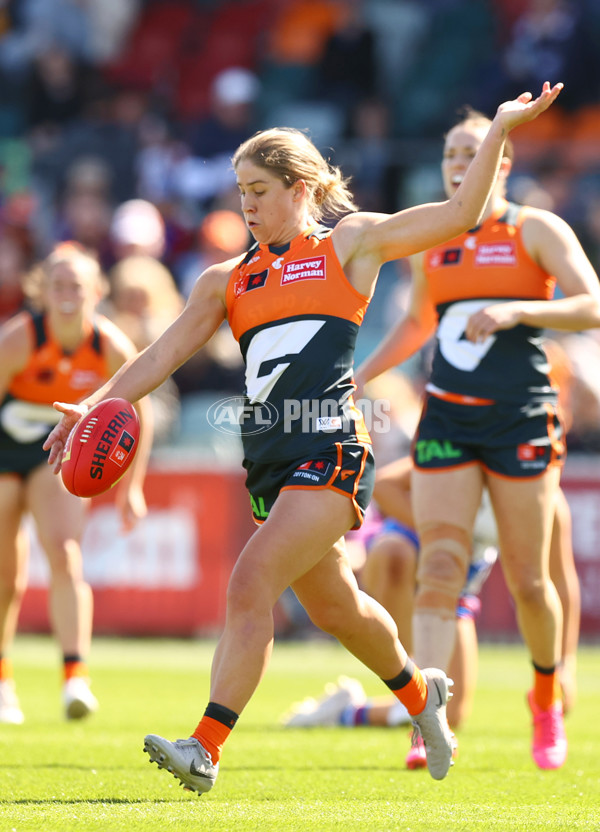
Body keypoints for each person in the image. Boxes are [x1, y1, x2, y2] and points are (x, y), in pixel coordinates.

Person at [44, 83, 563, 791]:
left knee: (250, 582)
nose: (246, 205)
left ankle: (204, 747)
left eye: (259, 191)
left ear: (302, 189)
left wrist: (500, 126)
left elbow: (459, 214)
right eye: (240, 192)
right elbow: (161, 355)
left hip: (331, 452)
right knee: (338, 610)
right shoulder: (226, 280)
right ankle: (423, 697)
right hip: (269, 462)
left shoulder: (351, 244)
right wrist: (93, 403)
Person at [354, 100, 600, 771]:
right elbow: (418, 323)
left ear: (502, 162)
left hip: (520, 418)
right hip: (448, 418)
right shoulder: (433, 243)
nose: (460, 164)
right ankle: (427, 722)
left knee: (529, 581)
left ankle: (545, 700)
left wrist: (519, 309)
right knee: (439, 565)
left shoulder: (534, 229)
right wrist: (363, 373)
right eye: (451, 156)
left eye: (472, 153)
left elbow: (592, 305)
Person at [280, 458, 580, 763]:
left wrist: (565, 665)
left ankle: (348, 711)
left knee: (451, 713)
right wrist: (441, 535)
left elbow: (559, 582)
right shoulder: (468, 456)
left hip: (456, 592)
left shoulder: (543, 496)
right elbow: (385, 485)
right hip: (407, 561)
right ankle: (412, 693)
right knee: (394, 553)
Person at [0, 243, 152, 723]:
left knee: (65, 554)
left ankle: (75, 679)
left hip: (57, 455)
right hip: (5, 449)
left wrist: (132, 486)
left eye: (77, 286)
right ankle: (3, 682)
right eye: (58, 285)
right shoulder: (19, 339)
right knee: (6, 574)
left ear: (96, 292)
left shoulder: (109, 346)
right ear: (42, 291)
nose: (67, 294)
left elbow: (139, 410)